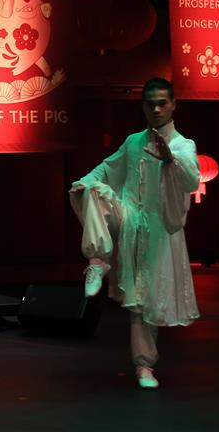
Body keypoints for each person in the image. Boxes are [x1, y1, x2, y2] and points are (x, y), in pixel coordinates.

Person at [69, 77, 200, 390]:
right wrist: (81, 185)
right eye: (150, 103)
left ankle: (144, 366)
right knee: (95, 190)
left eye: (161, 103)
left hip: (159, 231)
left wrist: (171, 159)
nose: (155, 109)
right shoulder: (132, 142)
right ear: (143, 106)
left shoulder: (184, 145)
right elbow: (106, 169)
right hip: (127, 217)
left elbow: (192, 181)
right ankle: (98, 261)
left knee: (145, 301)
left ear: (172, 105)